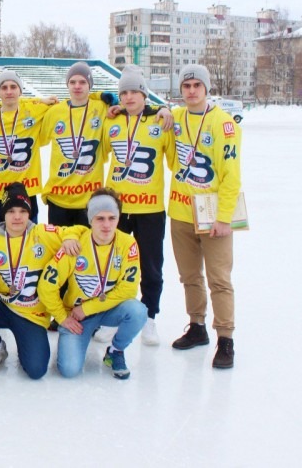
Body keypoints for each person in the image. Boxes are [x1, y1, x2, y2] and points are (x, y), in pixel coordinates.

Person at [0, 183, 82, 378]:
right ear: (4, 214)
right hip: (2, 306)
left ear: (29, 213)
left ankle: (28, 343)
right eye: (11, 211)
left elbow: (78, 230)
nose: (17, 216)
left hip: (31, 314)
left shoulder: (42, 234)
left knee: (36, 370)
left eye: (22, 211)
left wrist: (69, 238)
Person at [95, 65, 175, 346]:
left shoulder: (159, 121)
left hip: (150, 209)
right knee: (112, 265)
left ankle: (150, 318)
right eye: (124, 93)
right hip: (116, 210)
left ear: (144, 94)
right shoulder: (112, 122)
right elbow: (101, 154)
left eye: (134, 92)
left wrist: (166, 109)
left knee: (151, 267)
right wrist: (108, 106)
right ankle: (112, 317)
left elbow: (175, 161)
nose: (129, 98)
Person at [168, 64, 241, 369]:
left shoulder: (224, 124)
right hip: (181, 211)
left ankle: (225, 338)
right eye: (187, 86)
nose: (192, 91)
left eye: (198, 85)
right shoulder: (176, 117)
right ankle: (197, 326)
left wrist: (224, 218)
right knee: (189, 276)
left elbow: (231, 176)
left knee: (219, 279)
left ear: (206, 88)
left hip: (213, 215)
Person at [40, 189, 147, 380]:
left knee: (138, 311)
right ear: (90, 220)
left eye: (111, 218)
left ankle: (116, 351)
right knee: (69, 370)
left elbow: (129, 289)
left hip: (107, 309)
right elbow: (46, 286)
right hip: (76, 315)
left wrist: (88, 308)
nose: (106, 225)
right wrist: (62, 317)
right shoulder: (75, 244)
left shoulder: (128, 243)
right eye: (100, 219)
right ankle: (70, 340)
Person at [0, 70, 58, 231]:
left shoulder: (34, 111)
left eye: (13, 87)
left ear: (20, 91)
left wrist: (39, 100)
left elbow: (69, 102)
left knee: (27, 248)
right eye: (4, 87)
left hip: (26, 193)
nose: (9, 91)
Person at [39, 62, 116, 227]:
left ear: (90, 85)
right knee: (60, 250)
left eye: (82, 82)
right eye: (72, 82)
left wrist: (103, 96)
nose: (77, 86)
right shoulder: (55, 112)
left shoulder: (102, 107)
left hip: (89, 201)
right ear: (67, 84)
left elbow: (130, 106)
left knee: (86, 251)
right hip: (59, 198)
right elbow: (40, 139)